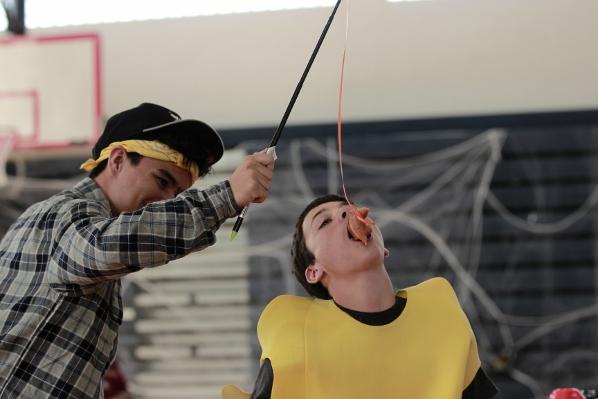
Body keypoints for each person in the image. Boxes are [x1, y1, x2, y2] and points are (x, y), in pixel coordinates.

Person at [0, 102, 275, 398]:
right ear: (118, 159)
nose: (167, 201)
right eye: (162, 181)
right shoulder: (64, 215)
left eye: (177, 195)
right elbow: (104, 247)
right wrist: (226, 197)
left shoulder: (84, 242)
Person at [222, 194, 498, 399]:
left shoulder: (439, 309)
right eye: (325, 221)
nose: (347, 215)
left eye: (348, 210)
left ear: (383, 247)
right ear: (314, 271)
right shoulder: (293, 327)